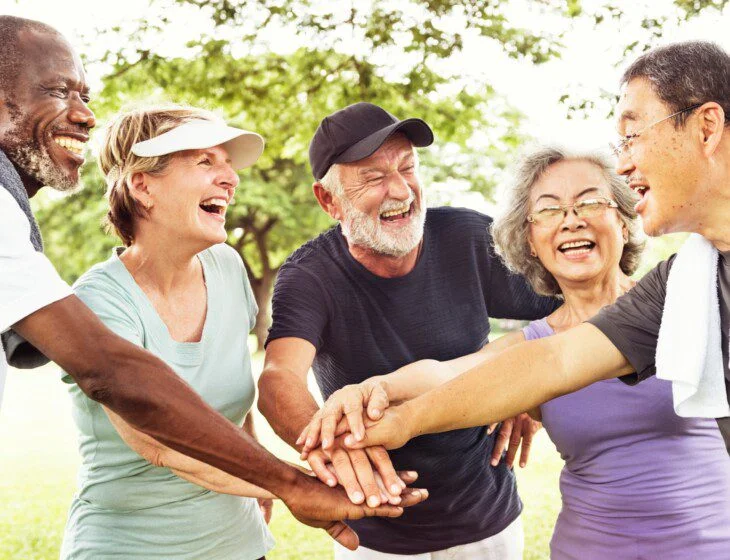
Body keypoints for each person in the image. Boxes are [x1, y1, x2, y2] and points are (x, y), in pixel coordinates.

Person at [0, 16, 420, 550]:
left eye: (228, 163)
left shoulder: (226, 269)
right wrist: (295, 485)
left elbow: (233, 405)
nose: (230, 176)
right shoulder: (99, 300)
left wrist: (261, 487)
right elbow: (159, 444)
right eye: (205, 161)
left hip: (242, 541)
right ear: (142, 187)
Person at [302, 146, 730, 559]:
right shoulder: (533, 346)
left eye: (590, 203)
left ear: (623, 220)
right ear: (530, 240)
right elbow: (446, 373)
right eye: (548, 210)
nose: (571, 221)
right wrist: (368, 389)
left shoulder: (687, 298)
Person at [340, 41, 730, 460]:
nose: (624, 165)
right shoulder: (684, 285)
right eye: (548, 210)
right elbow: (552, 361)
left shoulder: (682, 292)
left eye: (633, 136)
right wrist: (398, 416)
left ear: (706, 127)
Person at [258, 101, 558, 559]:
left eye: (407, 168)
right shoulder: (309, 275)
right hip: (375, 531)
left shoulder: (468, 237)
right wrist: (338, 451)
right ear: (328, 200)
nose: (400, 190)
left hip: (486, 521)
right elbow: (279, 377)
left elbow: (572, 302)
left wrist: (523, 385)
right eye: (374, 178)